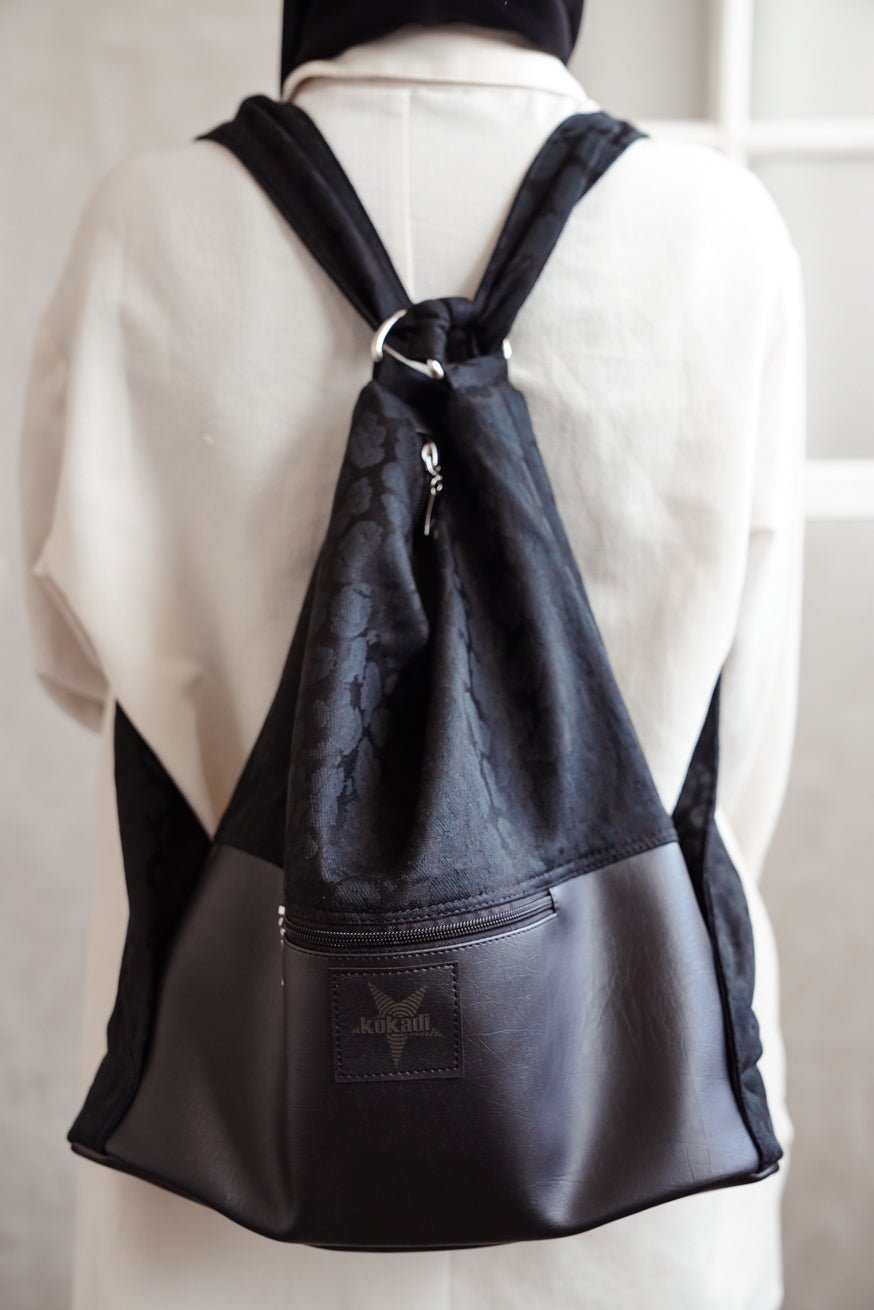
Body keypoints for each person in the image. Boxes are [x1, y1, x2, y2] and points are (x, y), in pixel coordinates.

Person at [17, 4, 806, 1308]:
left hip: (235, 1167)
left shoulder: (142, 229)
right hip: (625, 1154)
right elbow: (749, 738)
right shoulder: (720, 228)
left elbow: (70, 665)